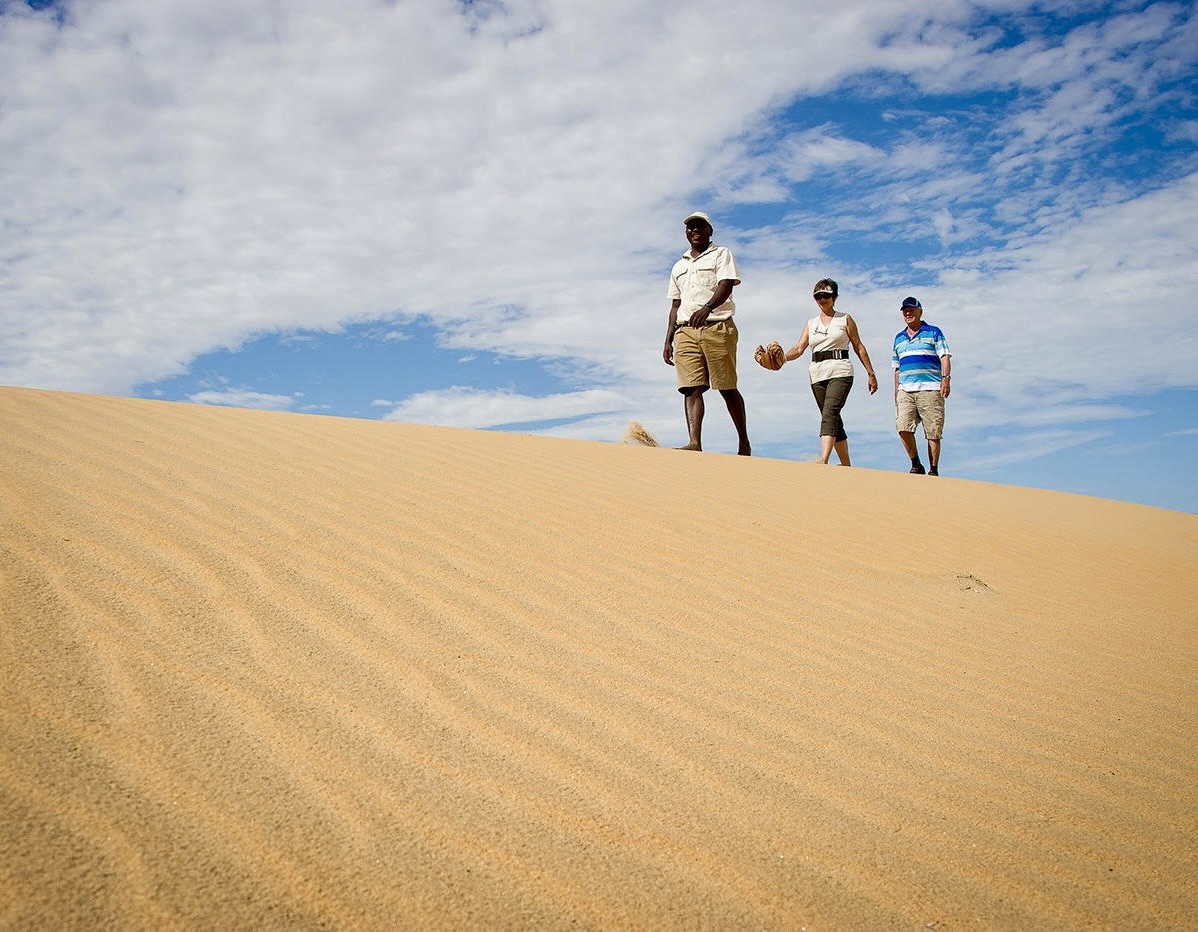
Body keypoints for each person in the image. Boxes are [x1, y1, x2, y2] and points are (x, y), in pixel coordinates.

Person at [755, 278, 878, 465]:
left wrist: (870, 373)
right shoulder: (811, 324)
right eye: (818, 296)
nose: (822, 299)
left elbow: (858, 346)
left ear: (834, 297)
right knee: (831, 417)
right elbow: (799, 347)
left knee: (830, 412)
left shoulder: (844, 319)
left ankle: (823, 459)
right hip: (817, 373)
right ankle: (846, 465)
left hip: (841, 370)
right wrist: (783, 359)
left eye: (826, 295)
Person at [662, 211, 751, 455]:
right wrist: (668, 338)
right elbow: (675, 305)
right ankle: (694, 442)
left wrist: (708, 308)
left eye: (700, 227)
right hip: (685, 332)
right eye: (690, 228)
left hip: (717, 326)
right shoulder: (679, 266)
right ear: (686, 233)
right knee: (691, 387)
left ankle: (743, 442)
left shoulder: (722, 254)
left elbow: (726, 284)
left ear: (710, 231)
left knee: (726, 386)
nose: (695, 231)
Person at [892, 296, 951, 475]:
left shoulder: (933, 332)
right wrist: (896, 390)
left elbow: (945, 356)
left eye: (911, 310)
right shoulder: (899, 338)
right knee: (903, 427)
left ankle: (933, 469)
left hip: (931, 387)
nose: (908, 313)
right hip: (905, 389)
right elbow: (896, 368)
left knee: (933, 431)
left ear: (920, 311)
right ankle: (916, 463)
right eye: (905, 311)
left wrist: (945, 379)